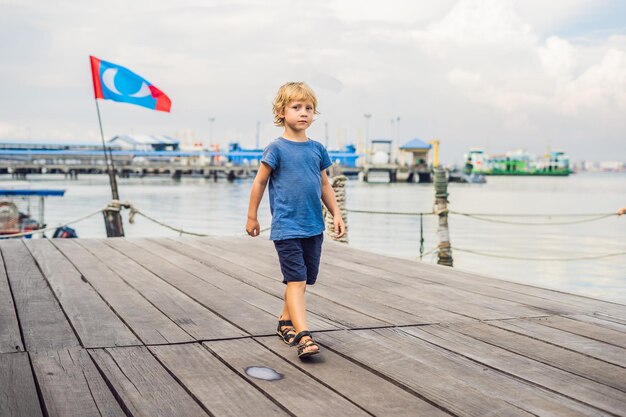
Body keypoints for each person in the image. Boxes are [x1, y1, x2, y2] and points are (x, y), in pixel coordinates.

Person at [246, 82, 345, 359]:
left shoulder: (316, 149)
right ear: (282, 111)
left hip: (314, 226)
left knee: (302, 280)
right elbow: (260, 182)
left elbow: (324, 184)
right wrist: (252, 215)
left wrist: (336, 213)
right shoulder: (276, 149)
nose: (303, 113)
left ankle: (284, 322)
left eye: (308, 108)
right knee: (297, 280)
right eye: (296, 107)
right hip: (287, 227)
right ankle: (304, 336)